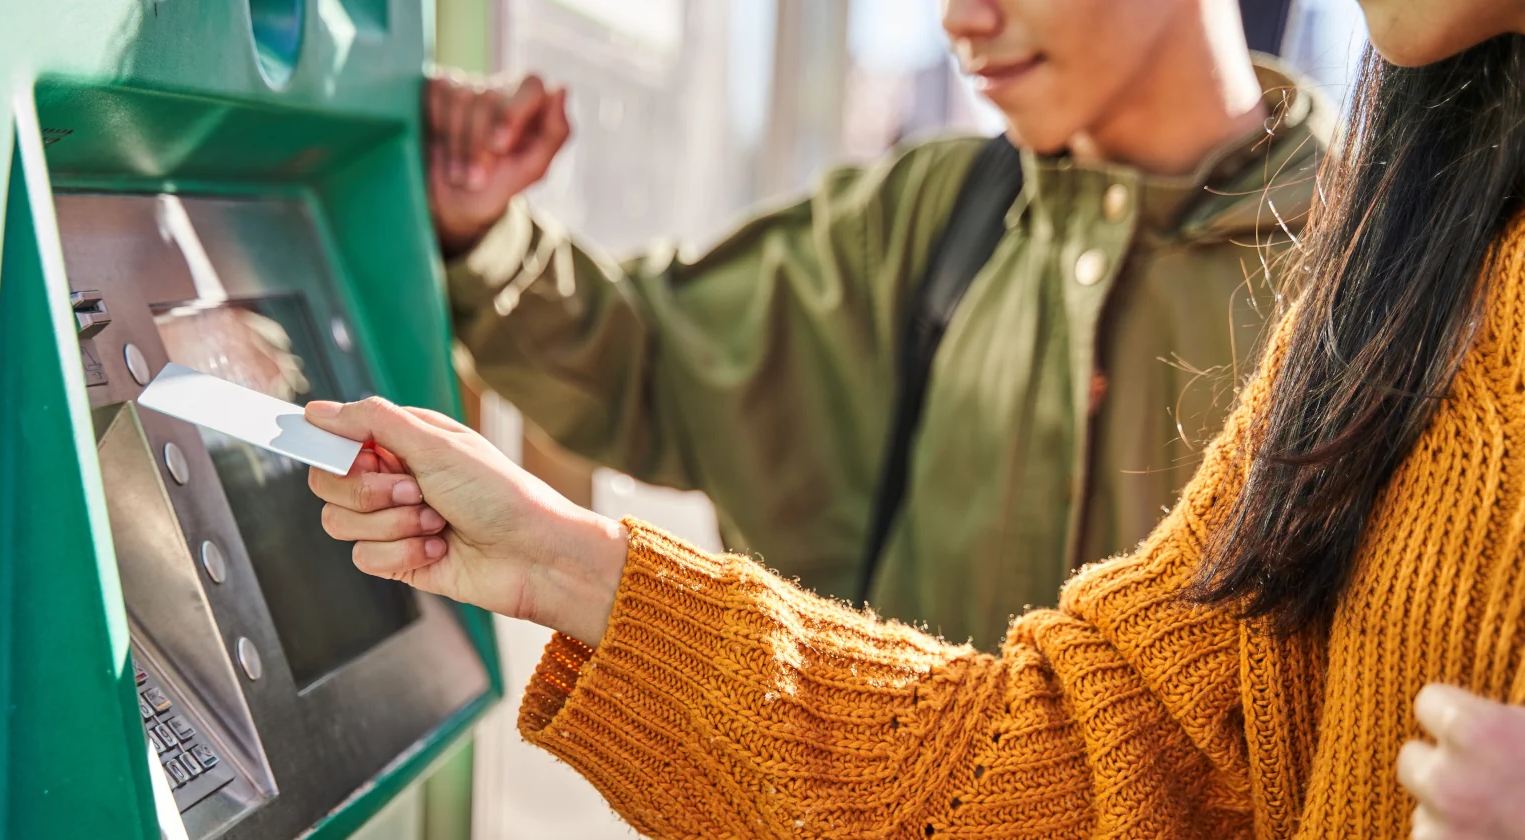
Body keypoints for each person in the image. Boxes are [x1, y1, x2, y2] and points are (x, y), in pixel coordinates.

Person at [310, 0, 1525, 832]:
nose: (958, 19)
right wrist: (562, 558)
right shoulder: (935, 225)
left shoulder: (1357, 268)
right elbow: (1097, 755)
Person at [429, 0, 1335, 644]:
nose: (958, 19)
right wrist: (482, 229)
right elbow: (650, 361)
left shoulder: (1377, 279)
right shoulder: (930, 216)